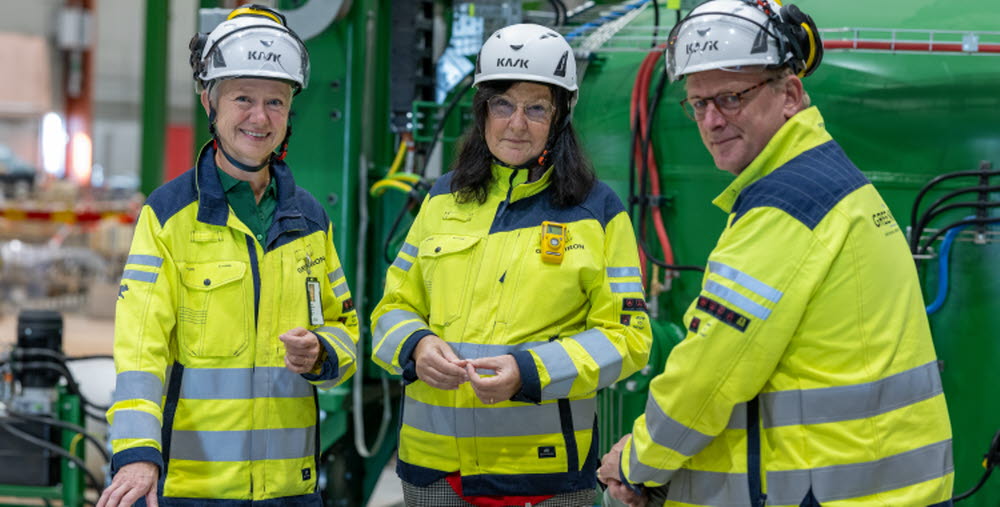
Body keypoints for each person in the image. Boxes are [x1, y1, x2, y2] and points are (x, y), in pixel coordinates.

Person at [598, 1, 954, 505]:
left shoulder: (788, 206)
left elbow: (709, 376)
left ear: (790, 94)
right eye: (698, 104)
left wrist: (637, 463)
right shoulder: (830, 182)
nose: (712, 121)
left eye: (731, 98)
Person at [370, 23, 653, 507]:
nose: (516, 124)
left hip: (544, 479)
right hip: (435, 473)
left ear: (560, 115)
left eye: (536, 107)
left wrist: (529, 370)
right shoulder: (442, 199)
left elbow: (628, 338)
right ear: (482, 111)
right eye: (502, 105)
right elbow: (392, 308)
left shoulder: (597, 212)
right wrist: (416, 345)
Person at [98, 5, 359, 506]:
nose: (260, 117)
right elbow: (139, 350)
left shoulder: (309, 220)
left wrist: (321, 352)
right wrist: (135, 452)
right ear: (209, 102)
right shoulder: (169, 217)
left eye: (276, 102)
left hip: (292, 492)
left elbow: (345, 330)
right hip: (194, 492)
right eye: (243, 98)